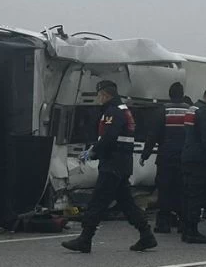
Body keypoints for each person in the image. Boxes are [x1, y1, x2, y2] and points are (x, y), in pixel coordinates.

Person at [62, 81, 157, 253]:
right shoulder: (123, 110)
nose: (98, 99)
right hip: (122, 163)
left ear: (105, 95)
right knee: (126, 202)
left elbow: (109, 136)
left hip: (113, 163)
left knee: (98, 201)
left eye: (99, 95)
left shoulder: (112, 112)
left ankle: (85, 239)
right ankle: (146, 235)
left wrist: (93, 152)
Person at [140, 82, 189, 234]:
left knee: (165, 190)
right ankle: (184, 222)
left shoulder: (162, 110)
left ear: (169, 94)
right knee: (183, 190)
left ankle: (164, 223)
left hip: (166, 156)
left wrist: (145, 155)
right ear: (182, 94)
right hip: (185, 157)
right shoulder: (191, 111)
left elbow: (153, 134)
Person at [181, 85, 206, 244]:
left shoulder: (192, 109)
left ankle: (186, 229)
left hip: (187, 155)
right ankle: (192, 231)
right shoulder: (205, 111)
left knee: (188, 194)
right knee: (197, 196)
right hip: (200, 159)